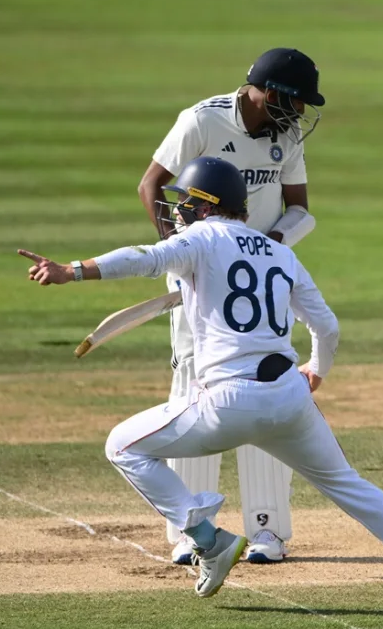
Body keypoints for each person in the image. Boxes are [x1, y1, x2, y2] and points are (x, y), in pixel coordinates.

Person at [16, 157, 383, 603]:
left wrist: (70, 270)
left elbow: (145, 258)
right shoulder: (281, 252)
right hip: (289, 396)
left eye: (185, 202)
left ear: (207, 206)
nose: (177, 211)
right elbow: (327, 327)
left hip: (227, 403)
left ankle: (208, 539)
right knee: (349, 486)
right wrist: (317, 370)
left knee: (123, 446)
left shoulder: (201, 237)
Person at [136, 47, 322, 565]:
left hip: (257, 284)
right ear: (268, 92)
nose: (301, 114)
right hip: (201, 282)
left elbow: (300, 209)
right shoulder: (201, 121)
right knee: (191, 391)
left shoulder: (285, 134)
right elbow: (151, 185)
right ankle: (190, 529)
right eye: (296, 101)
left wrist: (271, 249)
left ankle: (268, 531)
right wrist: (184, 256)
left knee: (264, 387)